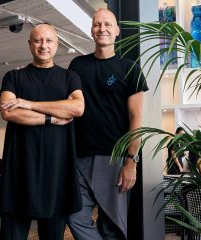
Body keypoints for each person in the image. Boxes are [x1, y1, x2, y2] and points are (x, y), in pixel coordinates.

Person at [67, 8, 149, 240]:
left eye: (107, 24)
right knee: (74, 218)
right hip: (78, 157)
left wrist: (131, 162)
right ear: (91, 31)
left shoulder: (129, 68)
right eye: (97, 24)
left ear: (117, 32)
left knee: (112, 226)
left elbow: (136, 119)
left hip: (114, 158)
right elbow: (70, 107)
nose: (102, 28)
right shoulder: (77, 65)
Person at [0, 23, 85, 240]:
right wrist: (51, 117)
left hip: (57, 174)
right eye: (38, 40)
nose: (43, 45)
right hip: (19, 172)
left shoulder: (70, 77)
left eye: (48, 41)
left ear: (57, 45)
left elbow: (77, 108)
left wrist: (28, 104)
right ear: (30, 44)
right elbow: (9, 113)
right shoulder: (13, 77)